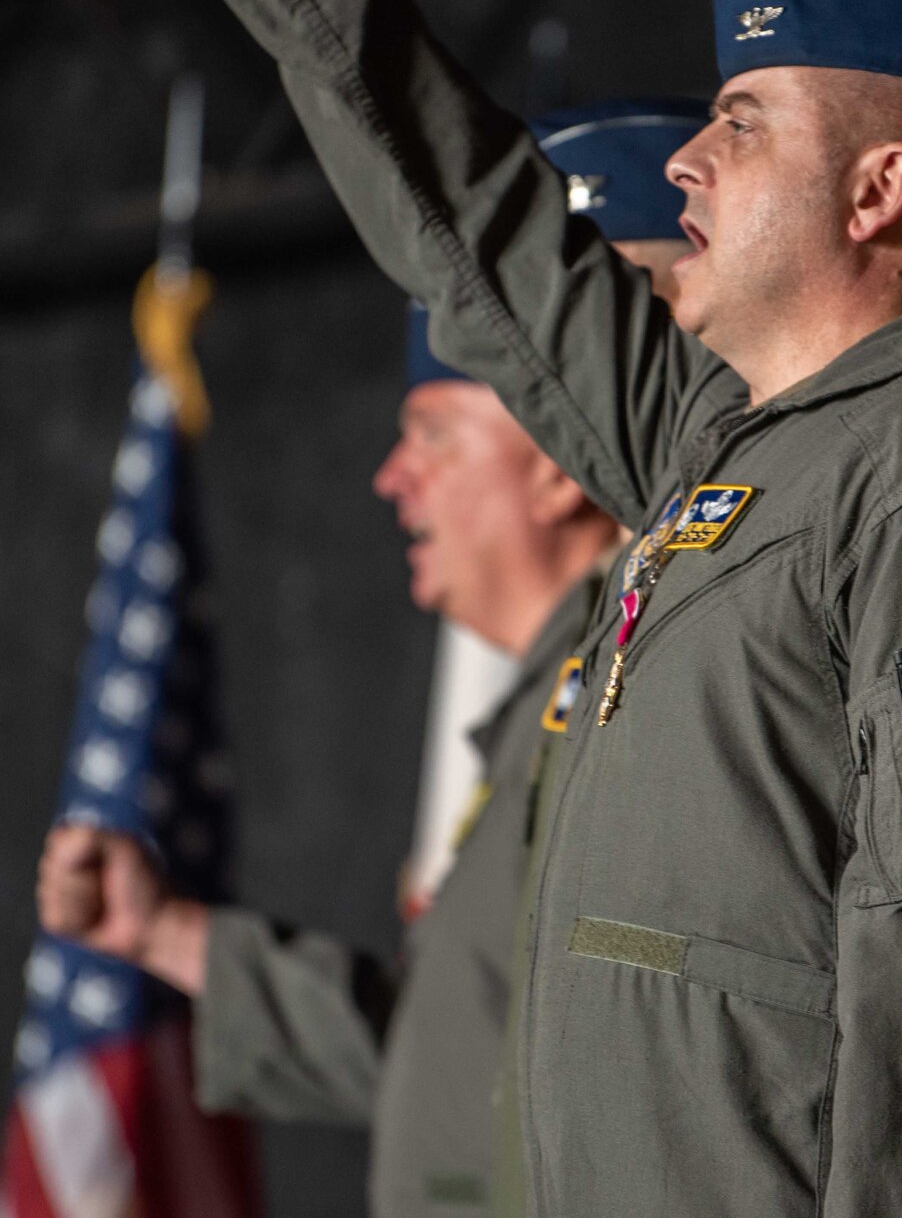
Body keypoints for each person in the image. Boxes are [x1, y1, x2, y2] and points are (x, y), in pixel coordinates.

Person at [163, 0, 902, 1218]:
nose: (687, 160)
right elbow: (485, 243)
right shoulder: (714, 442)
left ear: (879, 188)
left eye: (740, 125)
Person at [36, 99, 701, 1218]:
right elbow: (474, 1059)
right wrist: (163, 934)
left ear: (555, 452)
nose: (392, 480)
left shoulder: (659, 689)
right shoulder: (558, 696)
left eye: (432, 435)